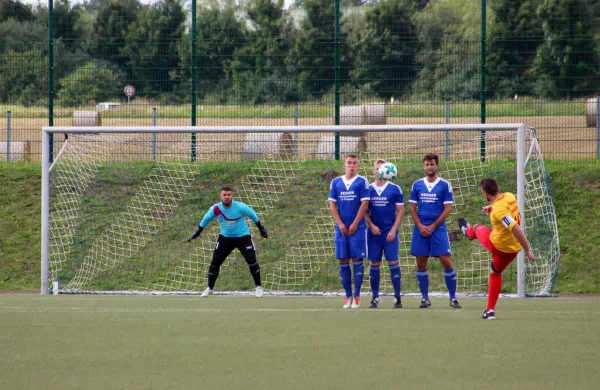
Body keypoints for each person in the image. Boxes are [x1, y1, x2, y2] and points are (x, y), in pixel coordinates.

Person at [458, 178, 535, 320]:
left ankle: (466, 232)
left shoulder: (498, 211)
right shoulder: (510, 196)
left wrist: (528, 249)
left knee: (476, 228)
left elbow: (515, 228)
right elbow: (505, 210)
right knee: (495, 272)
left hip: (497, 246)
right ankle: (489, 311)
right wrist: (492, 207)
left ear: (485, 193)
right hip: (512, 250)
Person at [187, 186, 269, 298]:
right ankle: (209, 288)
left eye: (229, 195)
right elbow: (206, 219)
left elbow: (253, 215)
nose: (227, 197)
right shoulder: (216, 209)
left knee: (252, 261)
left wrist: (261, 229)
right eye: (224, 195)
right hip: (225, 238)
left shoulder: (240, 207)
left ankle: (259, 287)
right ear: (220, 196)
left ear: (232, 196)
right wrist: (198, 232)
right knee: (215, 262)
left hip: (243, 237)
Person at [409, 153, 461, 309]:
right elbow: (412, 208)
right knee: (421, 262)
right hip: (420, 229)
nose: (429, 167)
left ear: (437, 165)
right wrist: (420, 225)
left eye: (432, 164)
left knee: (446, 261)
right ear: (423, 166)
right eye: (426, 164)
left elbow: (447, 209)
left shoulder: (445, 185)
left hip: (438, 229)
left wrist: (433, 226)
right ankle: (425, 298)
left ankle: (453, 298)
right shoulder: (417, 185)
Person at [328, 154, 370, 309]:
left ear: (358, 166)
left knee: (357, 260)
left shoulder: (362, 181)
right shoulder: (336, 182)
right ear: (344, 165)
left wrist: (354, 224)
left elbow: (364, 204)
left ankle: (357, 296)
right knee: (343, 260)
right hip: (341, 229)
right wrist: (340, 224)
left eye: (354, 163)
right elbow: (332, 205)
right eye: (349, 163)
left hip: (357, 228)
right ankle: (347, 296)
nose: (351, 165)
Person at [365, 159, 405, 309]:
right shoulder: (367, 189)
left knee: (393, 263)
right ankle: (375, 297)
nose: (378, 171)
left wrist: (393, 229)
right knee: (374, 264)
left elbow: (400, 211)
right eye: (376, 168)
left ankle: (397, 297)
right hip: (374, 234)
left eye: (381, 168)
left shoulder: (395, 189)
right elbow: (364, 211)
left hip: (390, 233)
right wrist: (371, 224)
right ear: (373, 171)